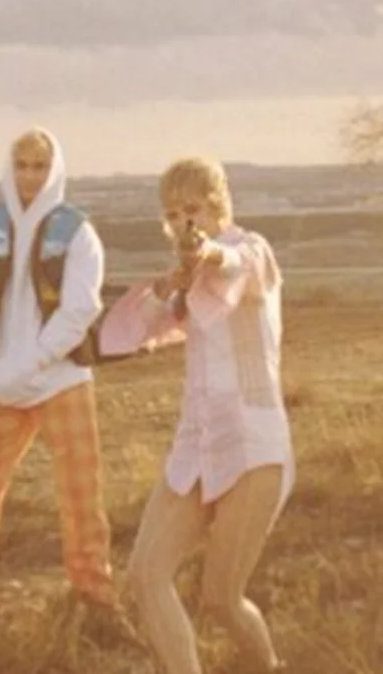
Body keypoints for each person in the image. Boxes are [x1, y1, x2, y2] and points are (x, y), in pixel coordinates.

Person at [0, 128, 132, 633]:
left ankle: (95, 598)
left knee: (80, 496)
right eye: (22, 165)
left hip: (61, 380)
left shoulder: (77, 231)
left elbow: (80, 308)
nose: (30, 176)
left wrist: (35, 359)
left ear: (55, 171)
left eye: (40, 166)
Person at [119, 156, 294, 674]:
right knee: (145, 577)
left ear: (218, 205)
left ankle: (269, 666)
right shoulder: (187, 280)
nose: (182, 222)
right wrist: (169, 285)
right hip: (196, 445)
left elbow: (234, 263)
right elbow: (143, 326)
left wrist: (207, 252)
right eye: (172, 214)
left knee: (221, 598)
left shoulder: (253, 250)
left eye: (191, 209)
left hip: (253, 443)